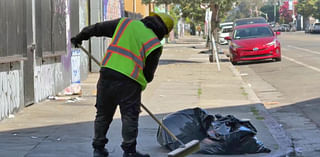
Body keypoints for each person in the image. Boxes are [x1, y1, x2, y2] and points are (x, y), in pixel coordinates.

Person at [71, 13, 174, 157]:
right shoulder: (154, 44)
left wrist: (80, 37)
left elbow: (97, 28)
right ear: (163, 31)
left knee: (103, 113)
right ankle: (129, 151)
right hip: (130, 81)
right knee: (129, 116)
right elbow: (149, 75)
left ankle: (98, 149)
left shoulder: (125, 23)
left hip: (107, 74)